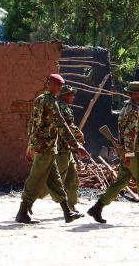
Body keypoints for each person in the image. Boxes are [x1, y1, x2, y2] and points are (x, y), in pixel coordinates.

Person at [88, 81, 139, 226]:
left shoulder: (126, 108)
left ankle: (97, 208)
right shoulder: (134, 111)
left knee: (120, 182)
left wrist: (126, 154)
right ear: (133, 94)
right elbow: (130, 135)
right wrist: (129, 156)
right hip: (134, 153)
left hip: (128, 152)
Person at [15, 74, 87, 224]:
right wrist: (77, 145)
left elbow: (31, 125)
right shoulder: (51, 102)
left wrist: (30, 145)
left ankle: (67, 213)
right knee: (35, 179)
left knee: (55, 181)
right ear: (50, 84)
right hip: (45, 147)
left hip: (44, 147)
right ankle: (22, 212)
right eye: (58, 85)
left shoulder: (39, 99)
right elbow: (61, 125)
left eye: (60, 86)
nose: (59, 89)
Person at [38, 85, 85, 216]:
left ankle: (71, 206)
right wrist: (78, 135)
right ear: (64, 95)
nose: (73, 97)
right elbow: (66, 126)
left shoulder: (64, 106)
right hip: (60, 149)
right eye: (71, 95)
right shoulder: (61, 107)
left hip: (67, 148)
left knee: (72, 177)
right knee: (55, 178)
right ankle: (30, 199)